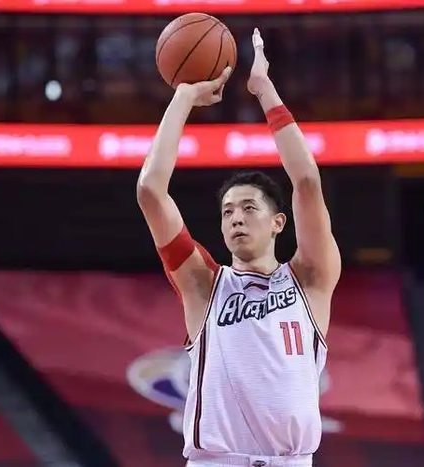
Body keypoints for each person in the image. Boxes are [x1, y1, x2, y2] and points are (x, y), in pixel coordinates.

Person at [137, 28, 341, 467]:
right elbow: (150, 190)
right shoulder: (204, 285)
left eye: (249, 208)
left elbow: (307, 181)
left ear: (278, 223)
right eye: (227, 211)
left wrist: (264, 91)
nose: (236, 218)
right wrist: (183, 98)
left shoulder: (310, 280)